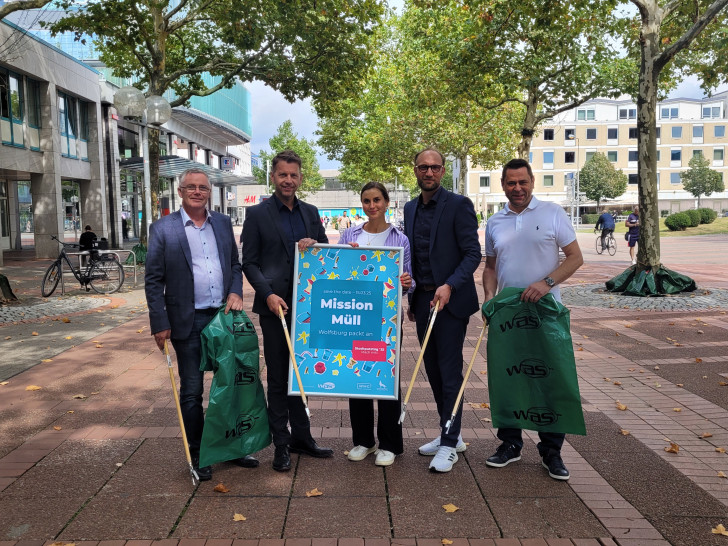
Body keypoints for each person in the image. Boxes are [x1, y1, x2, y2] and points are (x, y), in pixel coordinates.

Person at [145, 168, 259, 481]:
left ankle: (233, 447)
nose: (198, 191)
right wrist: (159, 321)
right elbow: (154, 280)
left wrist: (236, 290)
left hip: (223, 318)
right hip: (186, 320)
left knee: (231, 385)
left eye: (203, 187)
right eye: (191, 187)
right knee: (193, 390)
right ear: (180, 191)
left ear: (209, 192)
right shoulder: (163, 229)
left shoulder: (221, 223)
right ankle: (199, 453)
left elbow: (235, 265)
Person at [482, 158, 583, 481]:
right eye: (511, 183)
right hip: (508, 314)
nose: (517, 188)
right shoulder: (495, 221)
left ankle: (551, 451)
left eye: (522, 182)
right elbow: (491, 266)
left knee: (549, 377)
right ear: (503, 185)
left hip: (546, 312)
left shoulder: (552, 213)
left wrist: (547, 283)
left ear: (532, 181)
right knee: (507, 374)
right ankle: (509, 444)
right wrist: (488, 297)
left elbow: (575, 258)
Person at [242, 150, 334, 472]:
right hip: (274, 309)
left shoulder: (311, 212)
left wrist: (320, 246)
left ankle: (302, 438)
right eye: (283, 175)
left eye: (294, 175)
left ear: (301, 178)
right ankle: (281, 443)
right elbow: (249, 263)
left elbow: (326, 256)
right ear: (273, 177)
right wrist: (266, 294)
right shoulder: (256, 214)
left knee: (302, 375)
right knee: (280, 378)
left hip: (309, 309)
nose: (288, 180)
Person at [404, 147, 482, 473]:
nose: (429, 172)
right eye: (423, 167)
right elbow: (412, 257)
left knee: (449, 372)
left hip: (449, 302)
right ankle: (451, 431)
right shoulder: (409, 208)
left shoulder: (459, 205)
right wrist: (409, 294)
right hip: (422, 301)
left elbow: (472, 254)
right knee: (433, 371)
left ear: (442, 170)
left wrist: (449, 285)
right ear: (415, 170)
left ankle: (449, 444)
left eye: (435, 167)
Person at [338, 182, 414, 467]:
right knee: (357, 378)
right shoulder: (349, 234)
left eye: (377, 200)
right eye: (367, 201)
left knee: (387, 379)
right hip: (357, 317)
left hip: (387, 321)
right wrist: (347, 258)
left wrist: (406, 283)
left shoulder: (399, 239)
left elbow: (408, 281)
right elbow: (337, 272)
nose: (372, 206)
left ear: (386, 202)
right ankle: (363, 441)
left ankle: (390, 443)